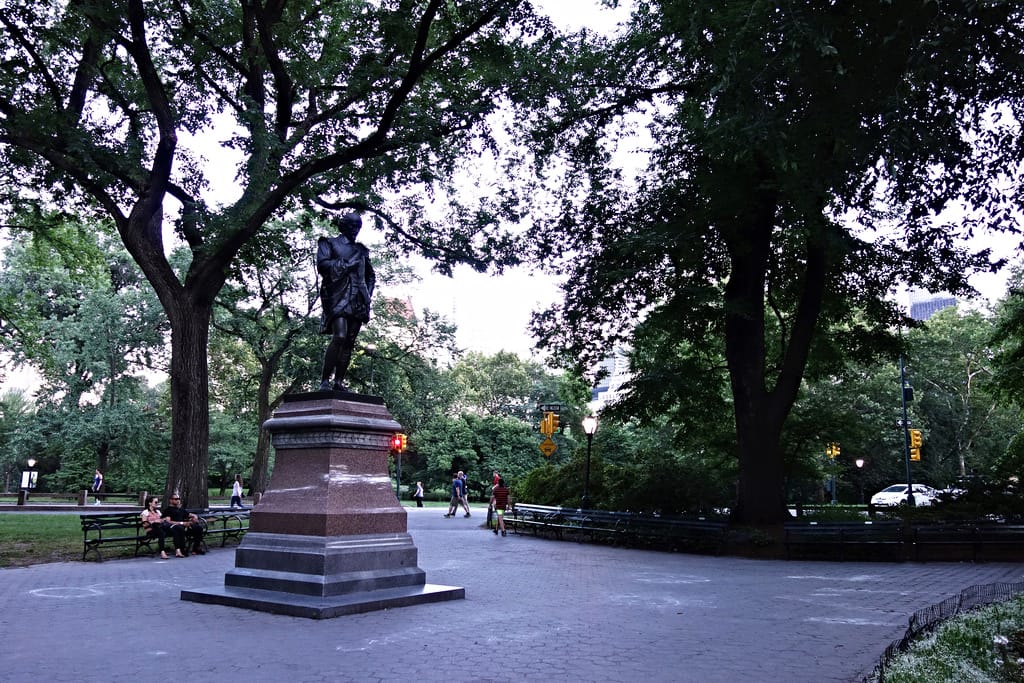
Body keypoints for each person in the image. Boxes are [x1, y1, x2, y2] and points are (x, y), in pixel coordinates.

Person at [317, 212, 376, 392]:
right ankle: (324, 381)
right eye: (352, 226)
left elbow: (371, 276)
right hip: (337, 295)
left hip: (358, 298)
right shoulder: (329, 243)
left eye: (358, 226)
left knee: (349, 341)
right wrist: (345, 265)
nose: (355, 230)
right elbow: (322, 265)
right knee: (340, 336)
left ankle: (339, 381)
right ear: (343, 225)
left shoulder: (361, 250)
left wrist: (368, 294)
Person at [140, 496, 169, 560]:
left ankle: (180, 549)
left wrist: (164, 519)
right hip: (151, 530)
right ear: (150, 503)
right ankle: (162, 552)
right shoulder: (145, 512)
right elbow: (145, 524)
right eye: (156, 502)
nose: (157, 503)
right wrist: (153, 521)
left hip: (160, 529)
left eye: (158, 502)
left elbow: (162, 520)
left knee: (171, 529)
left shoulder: (158, 512)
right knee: (160, 531)